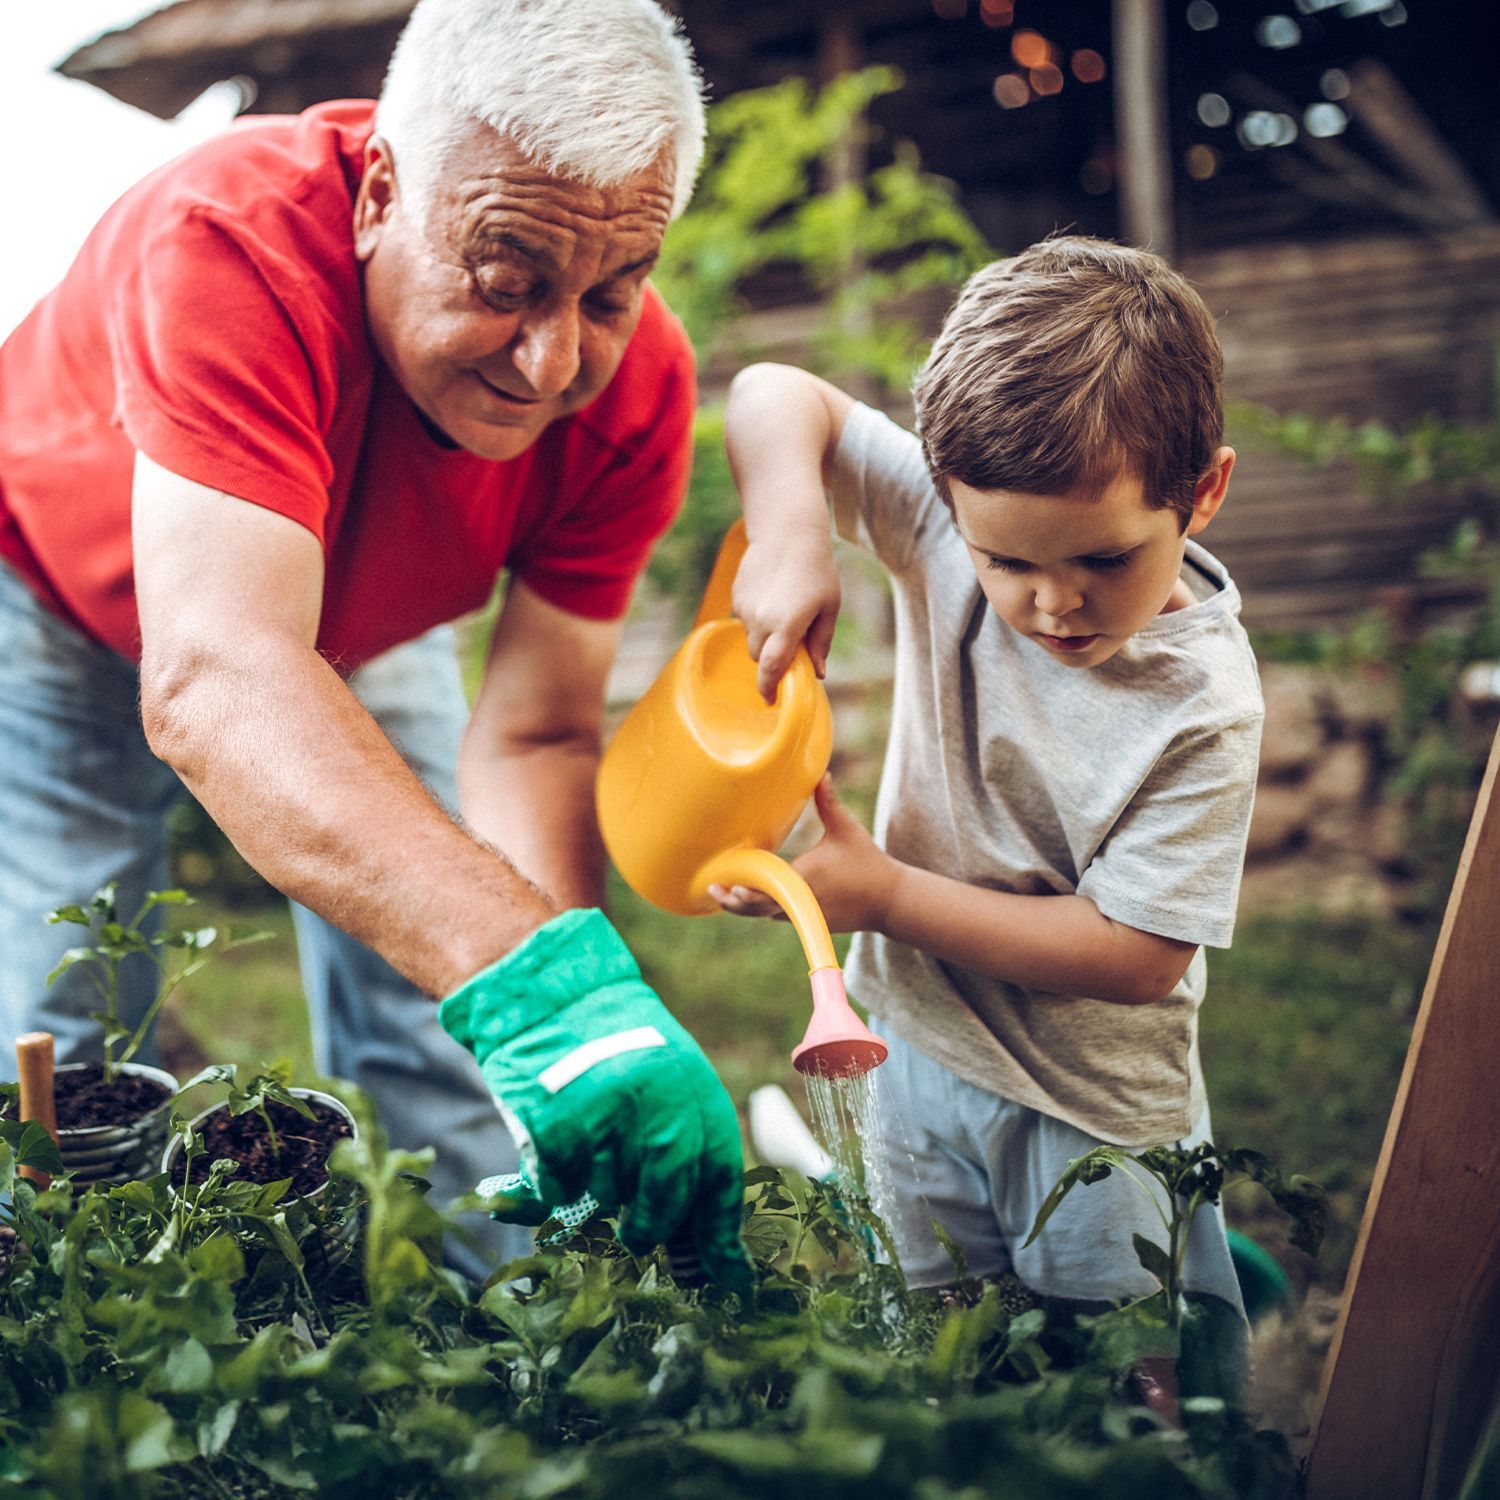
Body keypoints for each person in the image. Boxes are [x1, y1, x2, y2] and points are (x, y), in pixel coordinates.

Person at [0, 0, 749, 1289]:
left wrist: (580, 1019)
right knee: (75, 1014)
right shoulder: (231, 240)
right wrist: (535, 982)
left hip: (351, 622)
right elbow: (221, 673)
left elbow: (539, 728)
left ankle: (514, 1308)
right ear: (379, 194)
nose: (550, 359)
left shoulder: (636, 391)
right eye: (506, 281)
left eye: (609, 296)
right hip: (55, 589)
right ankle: (71, 1356)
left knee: (446, 1000)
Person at [714, 238, 1262, 1337]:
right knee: (949, 1352)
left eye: (1103, 560)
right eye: (1007, 563)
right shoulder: (937, 522)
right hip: (914, 1049)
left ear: (1200, 494)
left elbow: (1139, 957)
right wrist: (792, 529)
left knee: (1129, 1383)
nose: (1053, 603)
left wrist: (886, 898)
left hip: (1092, 1112)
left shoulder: (1204, 704)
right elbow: (772, 392)